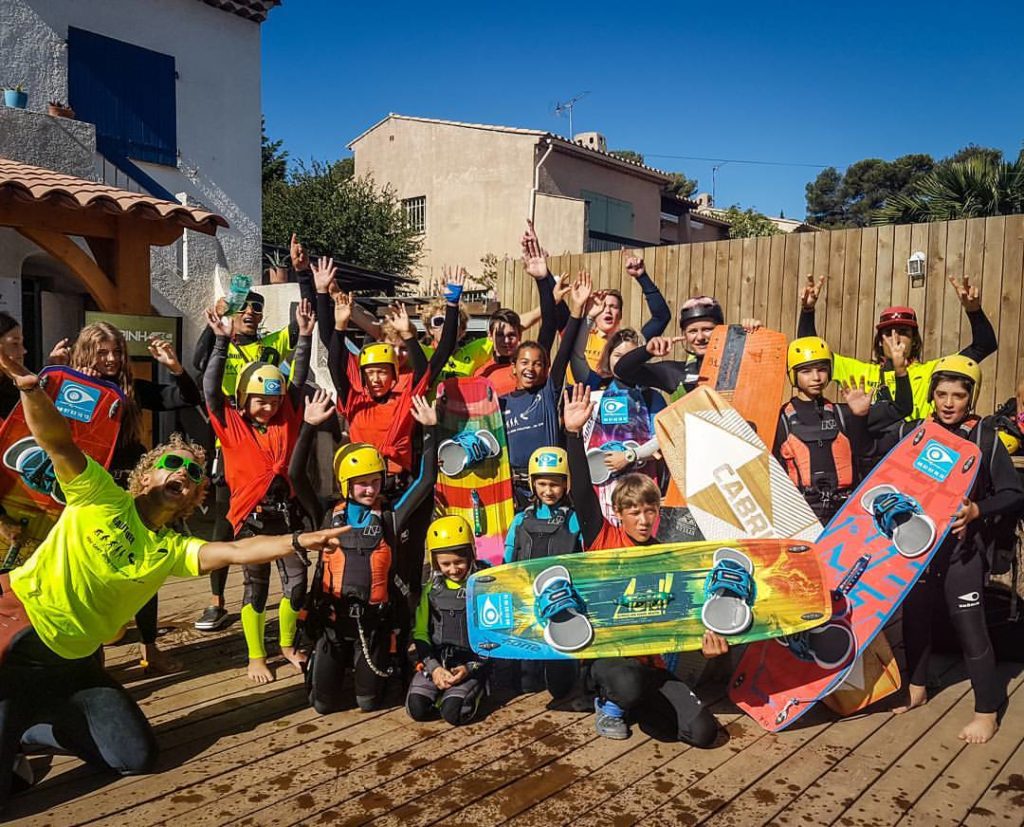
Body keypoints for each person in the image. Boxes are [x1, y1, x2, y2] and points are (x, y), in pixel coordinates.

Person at [0, 345, 345, 809]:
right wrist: (29, 389)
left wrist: (300, 542)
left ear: (190, 501)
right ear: (145, 478)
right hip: (18, 637)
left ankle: (31, 726)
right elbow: (57, 441)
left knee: (135, 756)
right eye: (173, 464)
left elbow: (240, 549)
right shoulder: (100, 495)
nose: (183, 471)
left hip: (76, 663)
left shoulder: (170, 549)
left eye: (194, 474)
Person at [561, 383, 725, 744]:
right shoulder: (601, 538)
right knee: (628, 683)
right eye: (633, 511)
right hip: (610, 660)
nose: (642, 519)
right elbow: (581, 493)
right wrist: (573, 434)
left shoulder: (666, 555)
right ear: (618, 514)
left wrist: (708, 646)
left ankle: (635, 705)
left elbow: (688, 612)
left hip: (654, 664)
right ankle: (608, 703)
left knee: (700, 732)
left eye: (650, 511)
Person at [877, 356, 1024, 744]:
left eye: (958, 395)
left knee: (969, 627)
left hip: (963, 550)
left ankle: (987, 711)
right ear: (932, 396)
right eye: (941, 394)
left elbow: (1014, 493)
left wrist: (977, 510)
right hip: (920, 548)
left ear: (970, 398)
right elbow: (873, 463)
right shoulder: (913, 432)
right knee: (917, 616)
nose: (948, 403)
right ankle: (917, 687)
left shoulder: (984, 437)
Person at [59, 322, 203, 673]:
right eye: (102, 352)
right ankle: (93, 655)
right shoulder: (70, 386)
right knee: (90, 566)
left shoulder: (131, 390)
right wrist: (61, 377)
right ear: (86, 353)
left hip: (130, 481)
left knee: (143, 564)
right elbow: (49, 428)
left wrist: (175, 368)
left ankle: (149, 648)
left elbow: (185, 397)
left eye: (117, 352)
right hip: (89, 487)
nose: (111, 359)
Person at [293, 396, 439, 714]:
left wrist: (430, 429)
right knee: (321, 705)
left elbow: (426, 480)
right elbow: (296, 477)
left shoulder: (390, 516)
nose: (370, 490)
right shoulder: (326, 515)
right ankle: (323, 663)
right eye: (361, 485)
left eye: (375, 482)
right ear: (346, 484)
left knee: (368, 703)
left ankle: (364, 671)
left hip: (373, 624)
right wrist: (308, 425)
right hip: (332, 623)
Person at [203, 299, 316, 684]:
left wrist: (304, 336)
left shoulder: (288, 416)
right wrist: (220, 343)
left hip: (287, 515)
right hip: (251, 521)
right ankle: (256, 655)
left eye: (273, 401)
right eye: (259, 402)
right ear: (244, 401)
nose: (267, 408)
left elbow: (297, 382)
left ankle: (286, 643)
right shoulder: (230, 424)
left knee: (298, 581)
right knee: (256, 587)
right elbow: (210, 392)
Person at [796, 272, 997, 420]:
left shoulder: (932, 371)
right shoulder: (860, 372)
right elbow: (810, 352)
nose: (895, 338)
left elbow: (984, 346)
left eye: (903, 332)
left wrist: (974, 311)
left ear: (914, 340)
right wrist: (807, 310)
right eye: (888, 333)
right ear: (879, 340)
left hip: (914, 455)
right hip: (872, 457)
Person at [775, 334, 912, 523]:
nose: (816, 377)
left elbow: (902, 408)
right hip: (799, 517)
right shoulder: (779, 421)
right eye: (806, 371)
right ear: (793, 374)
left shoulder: (847, 413)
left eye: (822, 369)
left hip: (844, 516)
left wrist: (900, 371)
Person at [502, 447, 582, 699]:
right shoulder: (520, 520)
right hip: (527, 601)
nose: (548, 491)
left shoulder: (574, 519)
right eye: (542, 484)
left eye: (555, 484)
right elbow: (507, 560)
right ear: (532, 483)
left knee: (561, 688)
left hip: (561, 603)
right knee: (525, 683)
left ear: (566, 484)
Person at [501, 272, 585, 506]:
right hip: (512, 491)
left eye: (538, 363)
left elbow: (565, 349)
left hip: (550, 488)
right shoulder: (500, 403)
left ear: (546, 368)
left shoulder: (547, 394)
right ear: (514, 367)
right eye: (524, 362)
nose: (531, 368)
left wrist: (576, 310)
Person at [406, 515, 489, 726]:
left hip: (471, 662)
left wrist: (469, 668)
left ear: (471, 555)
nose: (453, 570)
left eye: (459, 562)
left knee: (453, 714)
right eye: (445, 564)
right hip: (438, 661)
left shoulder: (484, 585)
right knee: (416, 709)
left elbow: (494, 635)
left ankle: (476, 688)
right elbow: (421, 633)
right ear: (435, 562)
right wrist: (433, 668)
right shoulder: (432, 588)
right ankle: (441, 690)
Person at [613, 297, 761, 400]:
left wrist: (755, 334)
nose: (700, 337)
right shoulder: (675, 374)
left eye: (707, 329)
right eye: (693, 331)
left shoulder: (738, 365)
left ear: (721, 330)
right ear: (684, 335)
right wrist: (646, 351)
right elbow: (622, 370)